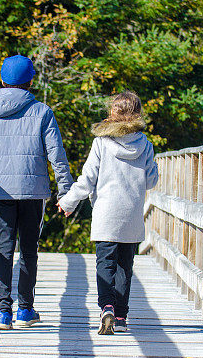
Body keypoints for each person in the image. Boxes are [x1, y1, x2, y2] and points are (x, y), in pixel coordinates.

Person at [0, 55, 74, 330]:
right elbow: (57, 156)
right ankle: (25, 310)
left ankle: (2, 313)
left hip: (0, 191)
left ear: (2, 80)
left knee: (3, 250)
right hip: (33, 192)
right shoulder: (42, 112)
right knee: (29, 250)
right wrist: (65, 192)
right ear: (31, 81)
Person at [57, 91, 159, 334]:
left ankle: (107, 307)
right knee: (125, 266)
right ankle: (122, 317)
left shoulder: (101, 143)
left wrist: (68, 202)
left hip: (105, 214)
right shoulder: (145, 145)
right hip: (131, 215)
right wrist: (151, 164)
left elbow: (87, 180)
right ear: (138, 113)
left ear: (112, 113)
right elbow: (151, 181)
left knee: (105, 263)